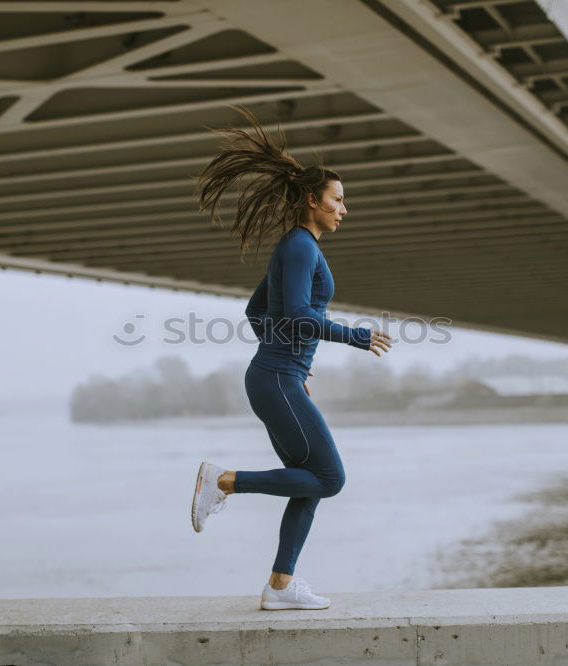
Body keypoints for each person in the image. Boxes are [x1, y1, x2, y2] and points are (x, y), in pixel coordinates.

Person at [189, 105, 393, 610]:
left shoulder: (298, 246)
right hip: (277, 377)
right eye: (337, 199)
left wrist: (288, 357)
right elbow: (299, 311)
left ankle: (280, 588)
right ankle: (222, 481)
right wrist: (354, 337)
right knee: (329, 479)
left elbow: (258, 310)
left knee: (310, 483)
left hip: (277, 376)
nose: (344, 209)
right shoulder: (301, 247)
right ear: (311, 200)